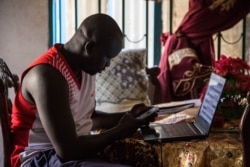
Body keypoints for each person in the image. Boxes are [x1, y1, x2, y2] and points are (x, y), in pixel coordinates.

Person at [10, 13, 158, 167]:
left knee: (148, 156)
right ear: (90, 48)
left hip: (63, 155)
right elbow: (68, 150)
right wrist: (119, 131)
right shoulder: (48, 75)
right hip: (38, 159)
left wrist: (130, 116)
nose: (107, 65)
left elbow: (90, 119)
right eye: (107, 58)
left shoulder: (85, 69)